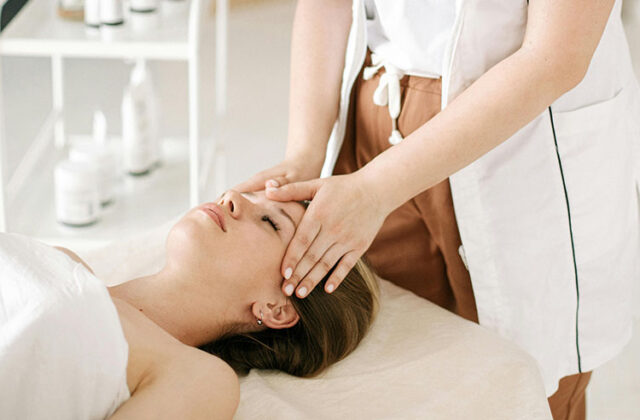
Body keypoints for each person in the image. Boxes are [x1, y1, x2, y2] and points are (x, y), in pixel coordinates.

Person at [236, 0, 640, 418]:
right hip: (374, 120)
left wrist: (375, 189)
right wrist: (304, 153)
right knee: (390, 373)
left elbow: (556, 55)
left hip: (518, 132)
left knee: (530, 385)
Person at [0, 190, 379, 419]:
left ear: (277, 307)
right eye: (253, 196)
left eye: (269, 221)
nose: (232, 196)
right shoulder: (66, 262)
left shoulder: (201, 380)